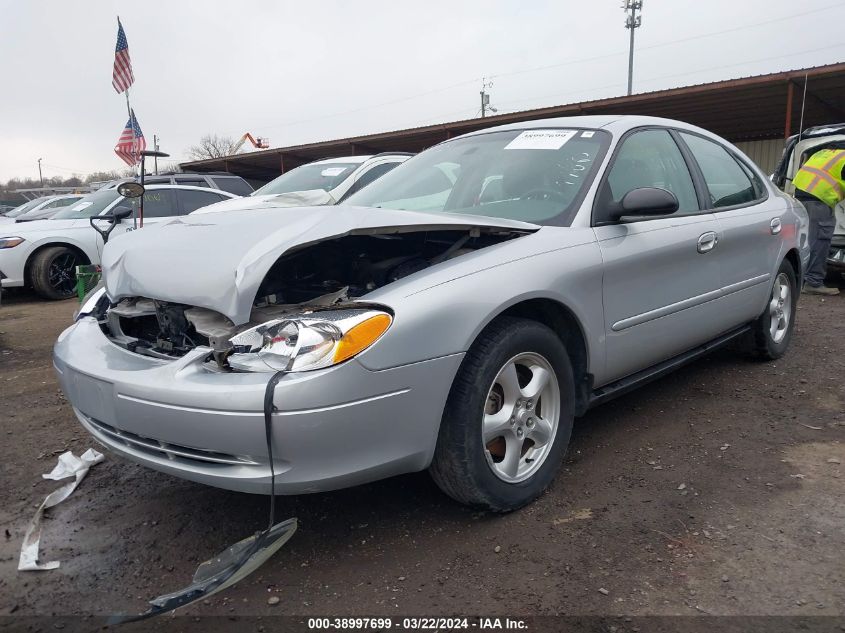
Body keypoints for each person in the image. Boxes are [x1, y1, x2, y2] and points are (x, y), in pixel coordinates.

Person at [792, 147, 845, 295]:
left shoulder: (826, 151)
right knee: (820, 240)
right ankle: (813, 282)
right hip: (819, 197)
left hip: (801, 193)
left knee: (806, 240)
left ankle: (801, 279)